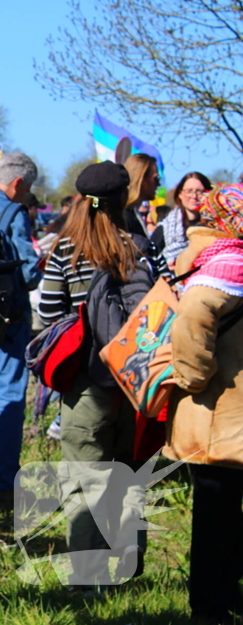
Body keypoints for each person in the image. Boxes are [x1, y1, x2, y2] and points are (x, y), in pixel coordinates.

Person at [38, 161, 159, 590]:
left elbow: (47, 316)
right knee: (131, 478)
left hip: (84, 387)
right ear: (124, 198)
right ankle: (129, 568)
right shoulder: (140, 248)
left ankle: (86, 578)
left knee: (85, 484)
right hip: (133, 384)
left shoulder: (65, 251)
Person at [166, 184, 243, 623]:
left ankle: (223, 593)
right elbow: (193, 317)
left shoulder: (207, 258)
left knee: (221, 515)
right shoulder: (227, 266)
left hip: (225, 412)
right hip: (217, 414)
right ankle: (210, 606)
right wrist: (195, 377)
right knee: (215, 515)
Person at [0, 152, 41, 507]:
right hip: (8, 322)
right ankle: (7, 481)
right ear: (18, 184)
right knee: (9, 396)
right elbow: (28, 274)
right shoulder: (14, 214)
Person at [150, 171, 212, 269]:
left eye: (199, 191)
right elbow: (151, 259)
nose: (194, 196)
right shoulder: (166, 227)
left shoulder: (215, 227)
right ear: (180, 194)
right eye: (189, 191)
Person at [123, 153, 160, 239]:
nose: (158, 184)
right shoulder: (123, 217)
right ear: (142, 179)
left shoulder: (132, 213)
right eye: (156, 179)